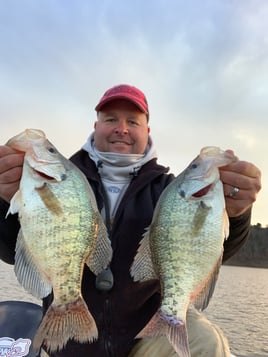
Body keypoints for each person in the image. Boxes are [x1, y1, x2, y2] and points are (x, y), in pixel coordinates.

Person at [0, 84, 262, 357]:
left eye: (133, 121)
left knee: (207, 342)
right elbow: (9, 250)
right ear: (96, 125)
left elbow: (212, 251)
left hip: (146, 334)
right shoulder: (64, 179)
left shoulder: (170, 192)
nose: (121, 128)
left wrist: (236, 213)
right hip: (73, 342)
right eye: (111, 119)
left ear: (147, 131)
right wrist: (6, 200)